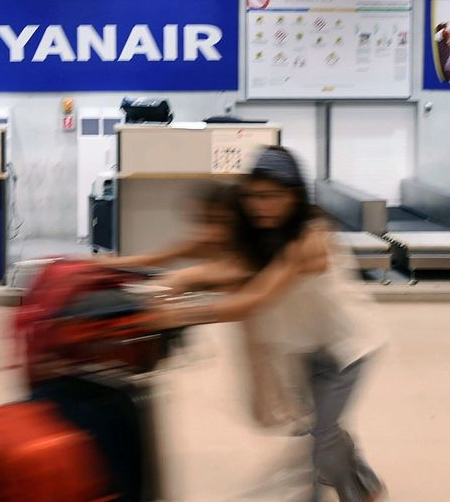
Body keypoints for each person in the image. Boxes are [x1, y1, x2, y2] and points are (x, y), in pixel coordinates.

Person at [158, 147, 386, 502]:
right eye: (255, 197)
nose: (262, 206)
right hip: (302, 355)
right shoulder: (260, 235)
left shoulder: (311, 237)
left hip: (347, 351)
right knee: (323, 437)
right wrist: (177, 280)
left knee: (313, 450)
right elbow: (227, 268)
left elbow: (257, 293)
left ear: (294, 195)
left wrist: (183, 306)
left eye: (272, 196)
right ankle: (363, 489)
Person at [99, 184, 300, 430]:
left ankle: (291, 415)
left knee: (274, 369)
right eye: (205, 221)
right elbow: (159, 258)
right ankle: (276, 416)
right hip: (248, 322)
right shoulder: (208, 242)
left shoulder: (256, 248)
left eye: (220, 221)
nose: (211, 231)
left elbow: (226, 275)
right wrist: (104, 265)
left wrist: (177, 289)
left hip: (281, 321)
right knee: (257, 371)